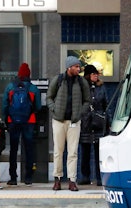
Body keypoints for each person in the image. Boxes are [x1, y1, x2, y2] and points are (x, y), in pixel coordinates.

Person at [46, 56, 90, 191]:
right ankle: (57, 179)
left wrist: (80, 113)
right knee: (58, 152)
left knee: (73, 152)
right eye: (76, 66)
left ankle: (72, 180)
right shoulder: (58, 80)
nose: (79, 69)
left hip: (74, 122)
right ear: (69, 67)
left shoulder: (82, 82)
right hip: (59, 121)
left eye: (79, 66)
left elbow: (87, 100)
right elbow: (49, 97)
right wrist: (54, 109)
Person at [2, 63, 41, 186]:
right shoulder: (33, 88)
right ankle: (28, 177)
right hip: (29, 122)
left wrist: (6, 120)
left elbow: (5, 106)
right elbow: (38, 107)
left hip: (13, 121)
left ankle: (13, 177)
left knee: (13, 150)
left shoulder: (10, 87)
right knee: (29, 149)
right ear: (28, 74)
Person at [78, 65, 108, 187]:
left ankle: (99, 177)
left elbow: (106, 104)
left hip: (99, 121)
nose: (96, 76)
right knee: (84, 150)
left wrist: (108, 121)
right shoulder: (82, 87)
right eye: (93, 74)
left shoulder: (101, 87)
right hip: (85, 122)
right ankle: (85, 176)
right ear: (88, 75)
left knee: (98, 151)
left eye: (97, 74)